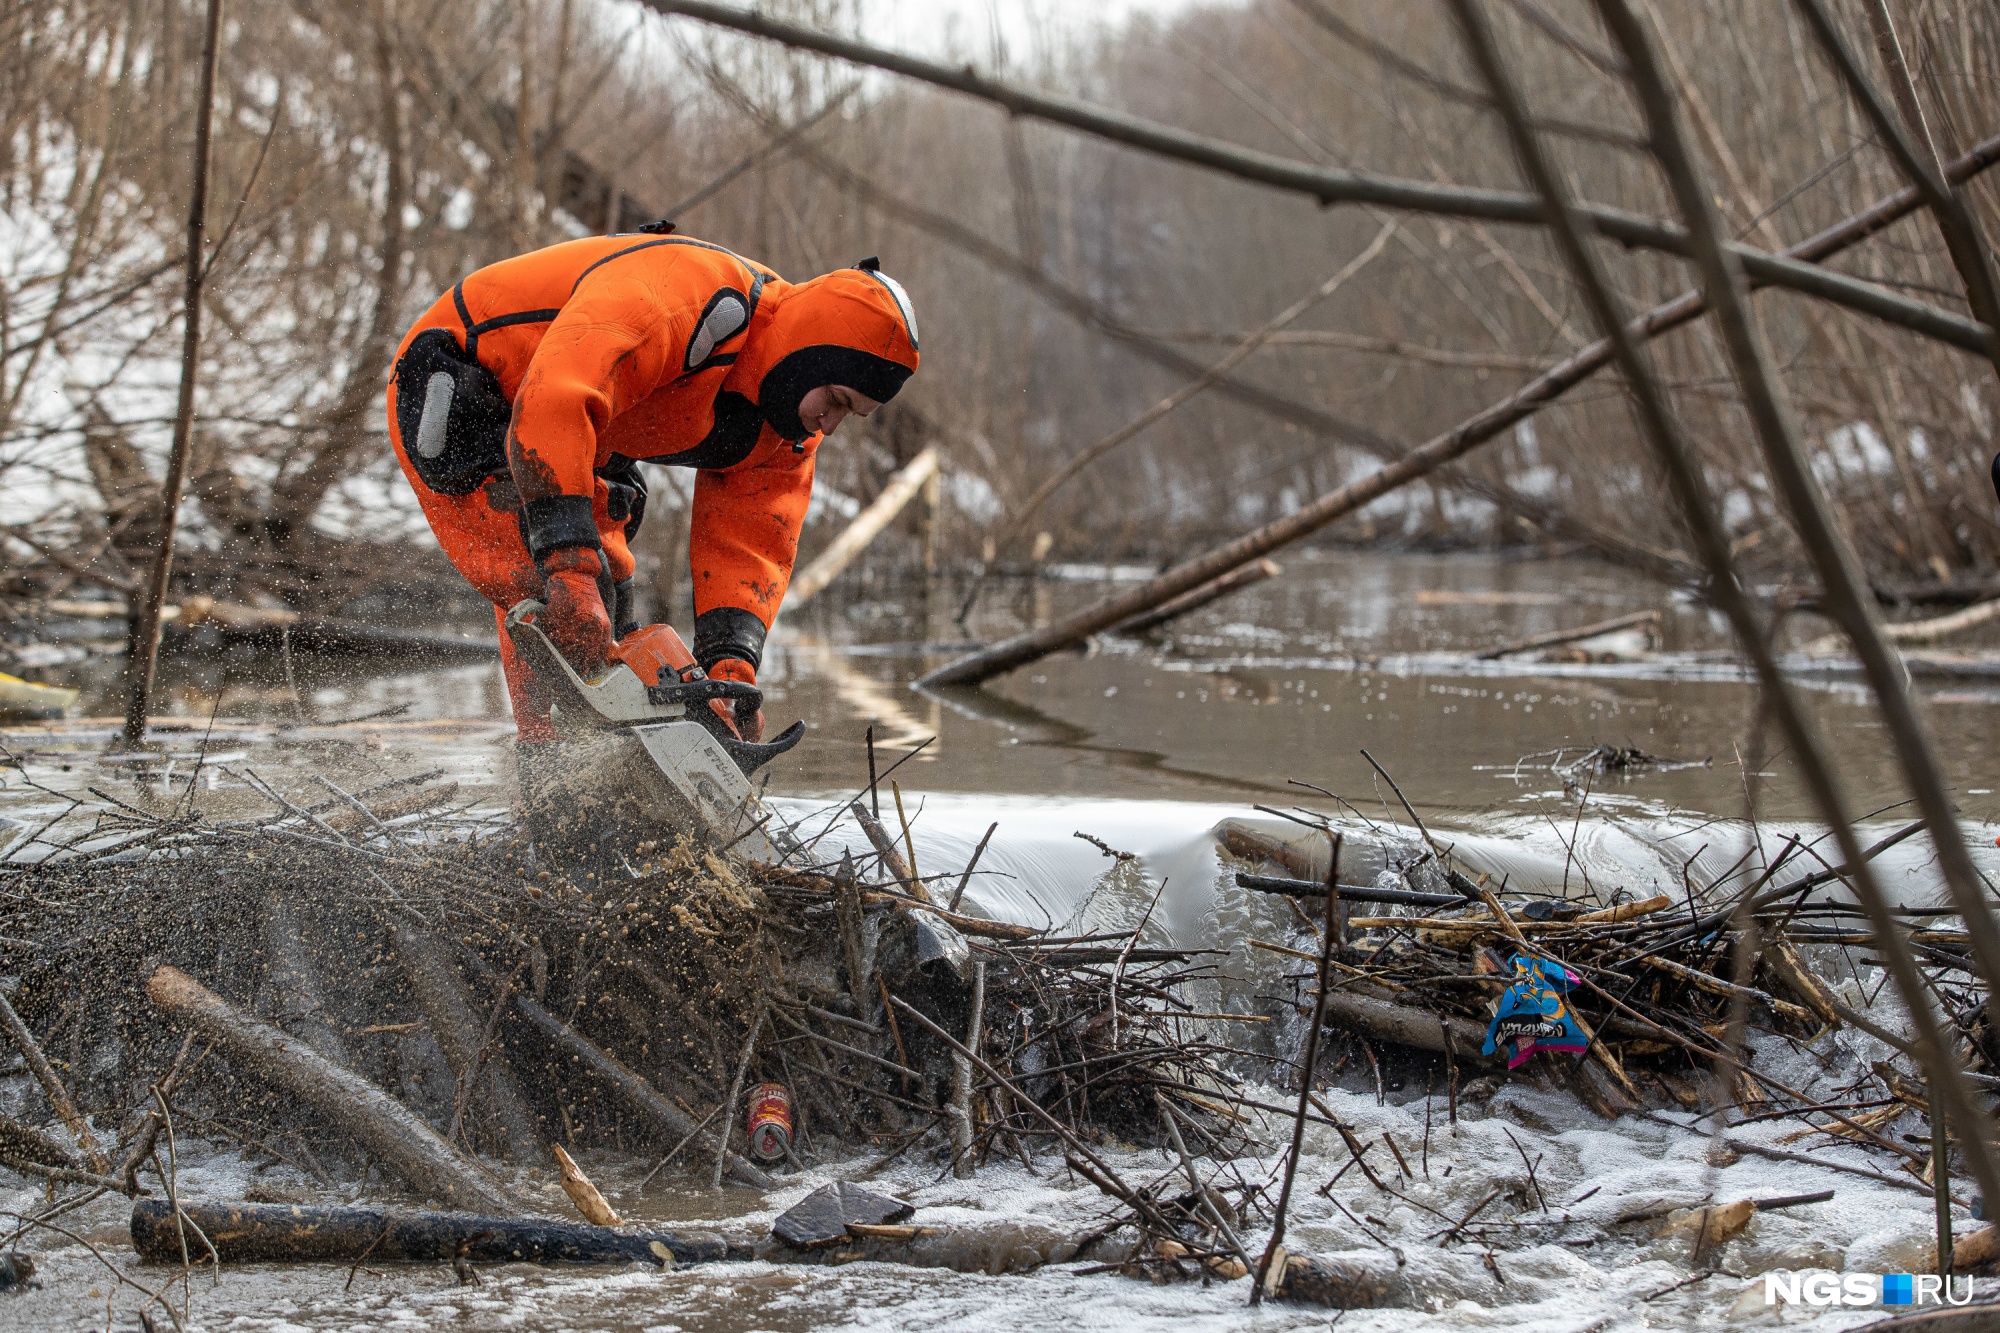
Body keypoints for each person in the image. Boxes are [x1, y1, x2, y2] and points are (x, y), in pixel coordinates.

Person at [384, 226, 920, 768]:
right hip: (464, 373)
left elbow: (751, 544)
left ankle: (617, 784)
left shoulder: (787, 433)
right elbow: (559, 395)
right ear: (809, 354)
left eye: (849, 414)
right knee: (555, 594)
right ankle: (547, 775)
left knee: (609, 612)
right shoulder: (687, 296)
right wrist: (569, 564)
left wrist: (728, 670)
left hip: (589, 433)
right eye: (835, 398)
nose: (830, 423)